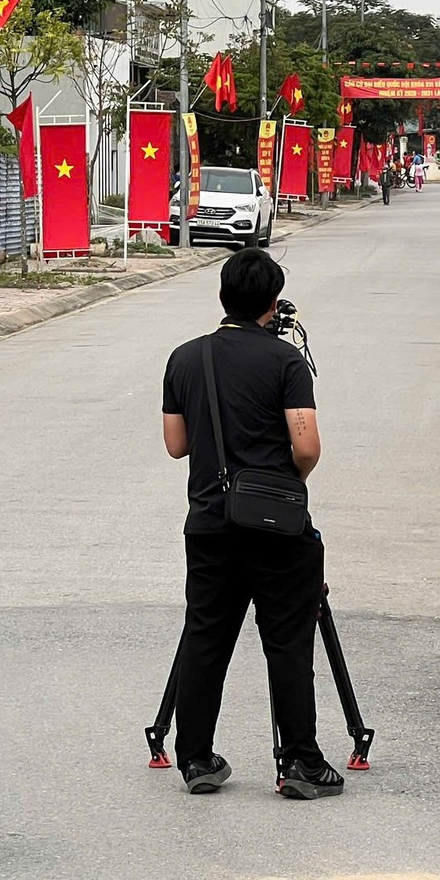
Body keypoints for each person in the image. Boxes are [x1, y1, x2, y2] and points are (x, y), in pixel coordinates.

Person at [160, 248, 342, 800]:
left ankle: (195, 758)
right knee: (287, 643)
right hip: (278, 528)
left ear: (222, 298)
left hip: (210, 523)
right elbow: (306, 445)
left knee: (206, 637)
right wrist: (287, 481)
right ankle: (301, 764)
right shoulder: (286, 362)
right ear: (272, 302)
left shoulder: (185, 358)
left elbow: (176, 445)